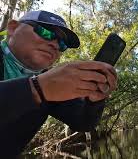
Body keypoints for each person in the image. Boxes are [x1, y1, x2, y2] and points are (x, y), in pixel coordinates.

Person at [0, 10, 117, 157]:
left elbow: (83, 122)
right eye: (45, 32)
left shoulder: (46, 80)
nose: (55, 44)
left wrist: (94, 100)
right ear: (13, 28)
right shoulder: (44, 83)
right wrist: (37, 89)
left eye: (62, 44)